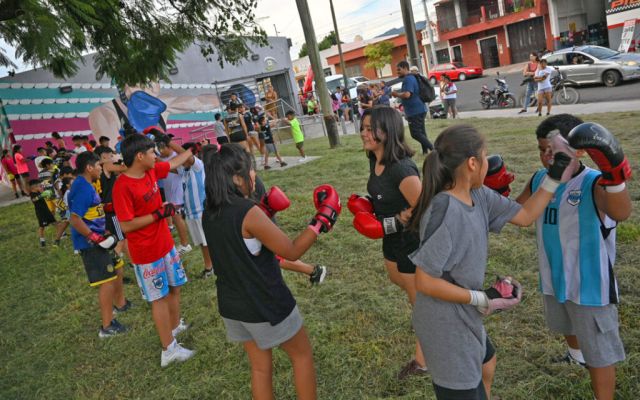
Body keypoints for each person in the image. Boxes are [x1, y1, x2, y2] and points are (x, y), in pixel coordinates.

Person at [408, 124, 572, 400]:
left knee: (487, 361)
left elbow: (525, 216)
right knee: (464, 388)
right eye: (485, 156)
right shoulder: (445, 211)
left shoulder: (479, 195)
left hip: (464, 313)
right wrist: (481, 298)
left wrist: (555, 174)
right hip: (444, 323)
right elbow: (424, 281)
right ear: (472, 163)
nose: (488, 161)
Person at [201, 143, 341, 400]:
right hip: (265, 303)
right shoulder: (248, 213)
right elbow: (291, 251)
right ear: (236, 178)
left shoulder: (209, 211)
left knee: (260, 368)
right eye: (250, 169)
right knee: (302, 355)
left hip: (233, 306)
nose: (254, 175)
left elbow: (240, 244)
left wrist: (265, 210)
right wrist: (321, 220)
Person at [515, 115, 632, 400]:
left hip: (590, 287)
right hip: (554, 276)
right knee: (566, 324)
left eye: (552, 150)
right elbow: (517, 211)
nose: (546, 156)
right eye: (541, 150)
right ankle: (576, 356)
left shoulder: (593, 182)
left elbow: (622, 212)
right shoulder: (540, 179)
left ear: (579, 151)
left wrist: (615, 176)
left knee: (599, 353)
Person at [348, 106, 426, 379]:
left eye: (371, 129)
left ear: (388, 131)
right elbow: (388, 197)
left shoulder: (401, 169)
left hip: (411, 243)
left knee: (421, 306)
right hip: (392, 240)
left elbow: (425, 207)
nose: (364, 133)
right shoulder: (376, 159)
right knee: (401, 283)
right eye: (363, 128)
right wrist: (368, 205)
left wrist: (396, 221)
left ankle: (423, 360)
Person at [112, 133, 196, 367]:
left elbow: (173, 162)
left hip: (165, 244)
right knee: (159, 298)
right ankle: (168, 350)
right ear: (140, 156)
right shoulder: (122, 186)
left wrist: (190, 151)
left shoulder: (150, 171)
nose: (156, 156)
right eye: (152, 152)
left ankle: (174, 326)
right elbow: (126, 225)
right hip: (147, 253)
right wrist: (157, 215)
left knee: (175, 287)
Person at [67, 151, 129, 337]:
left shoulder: (86, 184)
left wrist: (103, 231)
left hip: (101, 237)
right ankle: (107, 326)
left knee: (118, 267)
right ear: (89, 168)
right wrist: (94, 237)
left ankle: (120, 304)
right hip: (91, 244)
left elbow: (91, 213)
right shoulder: (83, 188)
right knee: (106, 282)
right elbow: (75, 219)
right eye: (98, 166)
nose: (101, 169)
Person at [179, 142, 214, 278]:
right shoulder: (183, 170)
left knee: (207, 242)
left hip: (201, 212)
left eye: (182, 156)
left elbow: (187, 156)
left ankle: (210, 267)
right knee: (201, 242)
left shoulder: (198, 166)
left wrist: (169, 142)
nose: (179, 159)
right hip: (191, 214)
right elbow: (165, 166)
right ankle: (209, 266)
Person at [156, 141, 192, 256]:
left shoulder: (176, 157)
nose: (160, 152)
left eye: (161, 150)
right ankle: (185, 243)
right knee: (176, 218)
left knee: (177, 218)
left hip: (177, 192)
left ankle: (185, 244)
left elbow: (178, 171)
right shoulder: (163, 158)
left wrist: (160, 163)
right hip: (170, 193)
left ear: (168, 147)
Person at [391, 61, 433, 154]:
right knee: (421, 132)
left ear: (405, 68)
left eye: (399, 70)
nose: (397, 72)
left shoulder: (408, 79)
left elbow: (407, 94)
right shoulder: (412, 77)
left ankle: (433, 149)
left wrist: (396, 94)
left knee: (415, 134)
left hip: (414, 111)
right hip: (420, 108)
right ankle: (425, 151)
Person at [29, 178, 67, 247]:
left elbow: (46, 196)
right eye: (40, 186)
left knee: (55, 223)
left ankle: (62, 234)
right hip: (41, 213)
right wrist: (41, 195)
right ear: (34, 187)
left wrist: (48, 194)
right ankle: (42, 240)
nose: (41, 187)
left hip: (47, 211)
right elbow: (33, 200)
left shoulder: (39, 192)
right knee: (42, 227)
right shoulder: (32, 194)